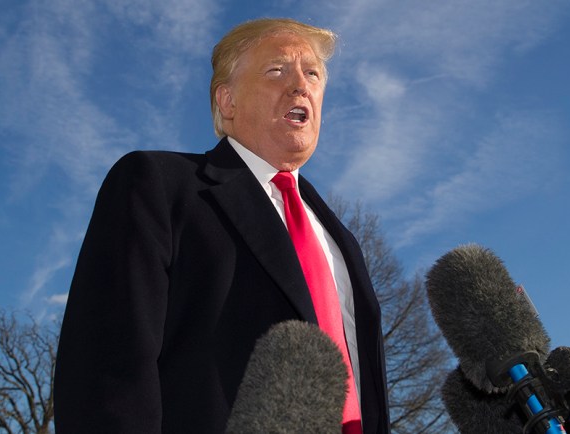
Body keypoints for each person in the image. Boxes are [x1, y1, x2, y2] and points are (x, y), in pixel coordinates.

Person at [54, 18, 390, 433]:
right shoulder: (157, 186)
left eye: (313, 74)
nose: (301, 85)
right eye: (277, 70)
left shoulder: (343, 241)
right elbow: (106, 372)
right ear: (227, 101)